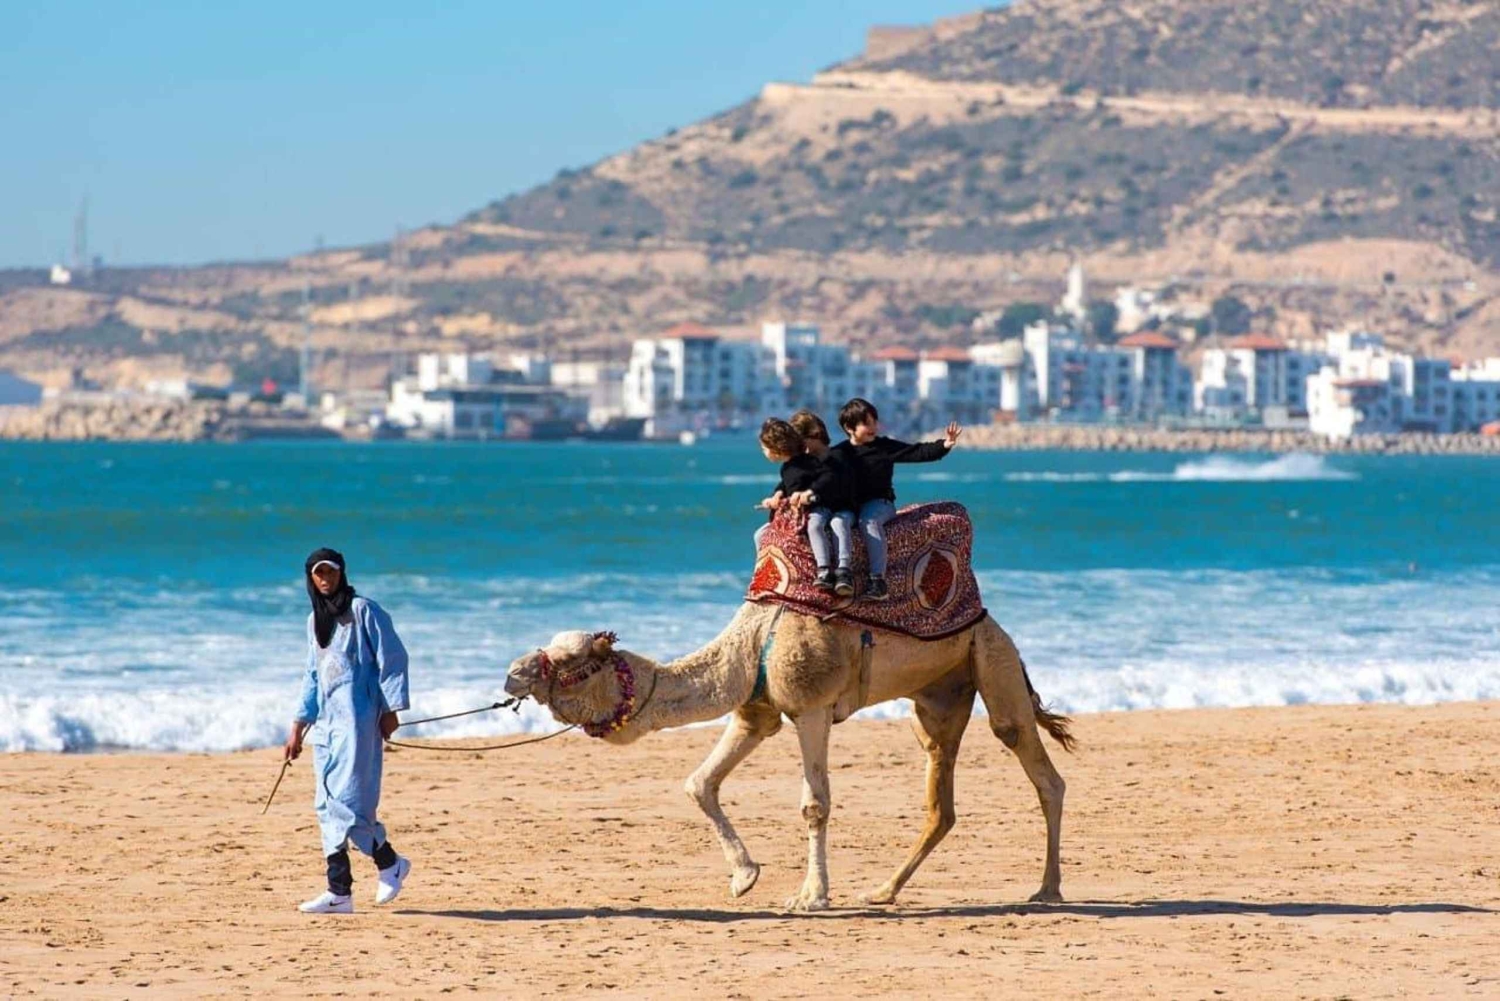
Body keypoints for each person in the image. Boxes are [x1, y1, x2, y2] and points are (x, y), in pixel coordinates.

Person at [284, 548, 412, 915]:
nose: (325, 579)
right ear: (310, 578)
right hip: (326, 726)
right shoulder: (314, 621)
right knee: (326, 804)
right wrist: (298, 727)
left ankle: (390, 863)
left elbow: (393, 659)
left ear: (341, 574)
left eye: (330, 572)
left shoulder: (364, 611)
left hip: (359, 721)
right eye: (318, 573)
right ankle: (340, 891)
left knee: (350, 801)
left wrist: (391, 709)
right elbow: (312, 675)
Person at [831, 398, 962, 600]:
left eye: (874, 422)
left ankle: (877, 581)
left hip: (879, 504)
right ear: (849, 427)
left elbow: (916, 452)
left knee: (869, 522)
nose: (873, 427)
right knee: (837, 521)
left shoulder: (884, 447)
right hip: (851, 506)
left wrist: (944, 445)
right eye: (867, 423)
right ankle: (842, 573)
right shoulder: (839, 453)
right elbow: (818, 477)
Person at [756, 418, 856, 595]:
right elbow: (787, 485)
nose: (763, 452)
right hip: (796, 513)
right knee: (760, 535)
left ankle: (824, 569)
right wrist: (776, 496)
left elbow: (827, 477)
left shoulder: (808, 462)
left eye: (764, 448)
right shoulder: (787, 468)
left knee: (814, 524)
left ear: (776, 448)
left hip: (816, 508)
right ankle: (767, 573)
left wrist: (809, 493)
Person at [787, 409, 859, 595]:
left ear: (815, 434)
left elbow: (833, 481)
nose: (800, 448)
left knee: (838, 523)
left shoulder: (839, 456)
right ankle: (824, 570)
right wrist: (780, 494)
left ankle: (844, 570)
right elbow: (790, 480)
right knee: (814, 524)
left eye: (802, 441)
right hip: (822, 507)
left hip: (843, 507)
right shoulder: (806, 461)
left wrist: (813, 493)